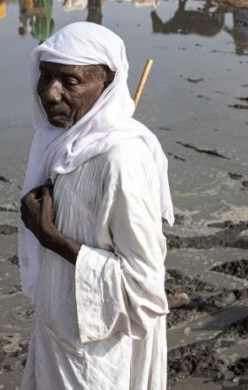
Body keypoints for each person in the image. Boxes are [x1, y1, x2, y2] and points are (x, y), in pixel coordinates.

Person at [18, 22, 173, 389]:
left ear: (106, 86)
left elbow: (144, 287)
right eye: (46, 77)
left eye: (70, 82)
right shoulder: (62, 144)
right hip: (57, 329)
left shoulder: (121, 159)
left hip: (100, 352)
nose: (50, 94)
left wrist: (51, 238)